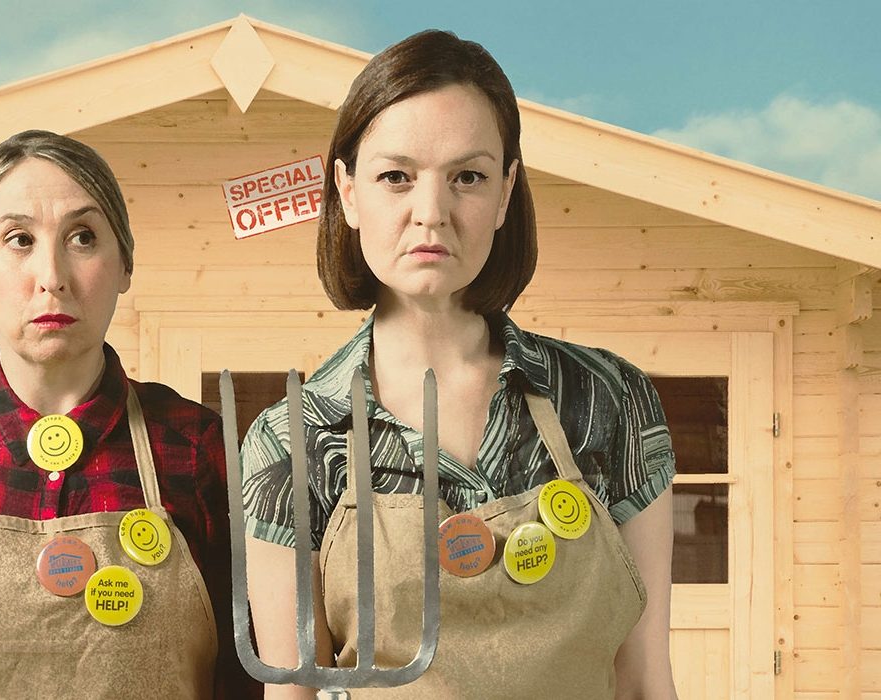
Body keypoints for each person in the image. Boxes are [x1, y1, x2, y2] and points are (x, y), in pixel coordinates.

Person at [240, 31, 677, 699]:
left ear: (505, 193)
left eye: (467, 177)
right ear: (349, 193)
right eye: (396, 177)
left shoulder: (610, 402)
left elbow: (644, 681)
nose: (431, 214)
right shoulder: (290, 443)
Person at [0, 130, 256, 699]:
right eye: (18, 239)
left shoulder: (202, 447)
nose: (51, 276)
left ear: (125, 265)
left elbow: (251, 684)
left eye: (83, 237)